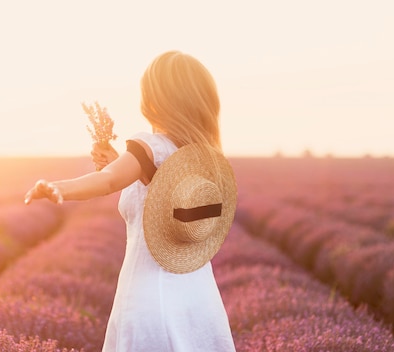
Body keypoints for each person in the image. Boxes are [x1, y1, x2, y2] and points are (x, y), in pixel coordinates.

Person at [25, 50, 237, 352]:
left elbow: (109, 180)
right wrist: (119, 162)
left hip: (150, 299)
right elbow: (160, 193)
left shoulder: (148, 146)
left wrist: (59, 188)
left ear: (156, 98)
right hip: (198, 299)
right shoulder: (204, 157)